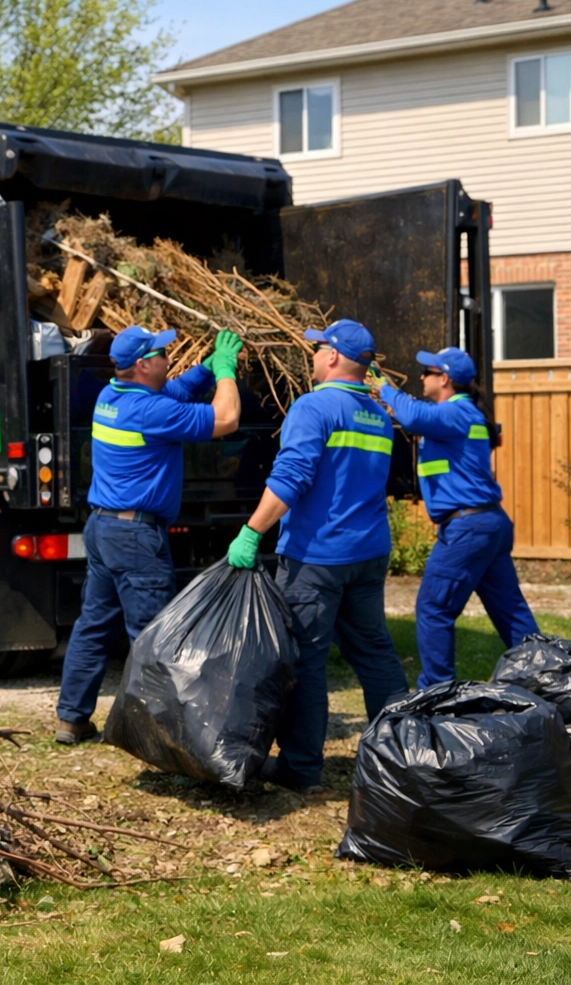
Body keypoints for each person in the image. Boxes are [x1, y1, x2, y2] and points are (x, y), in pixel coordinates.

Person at [226, 319, 407, 792]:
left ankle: (301, 767)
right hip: (368, 553)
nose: (312, 355)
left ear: (332, 356)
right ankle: (401, 757)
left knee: (305, 661)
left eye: (317, 348)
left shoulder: (313, 407)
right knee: (375, 653)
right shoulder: (378, 416)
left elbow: (291, 478)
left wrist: (251, 532)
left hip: (317, 557)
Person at [55, 326, 243, 745]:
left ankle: (71, 719)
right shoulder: (153, 413)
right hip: (136, 538)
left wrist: (204, 369)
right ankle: (159, 738)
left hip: (103, 529)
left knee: (94, 626)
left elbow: (173, 391)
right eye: (161, 353)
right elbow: (227, 418)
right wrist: (226, 371)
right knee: (155, 638)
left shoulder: (110, 397)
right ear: (142, 365)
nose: (167, 358)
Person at [372, 346, 538, 687]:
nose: (421, 376)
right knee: (510, 611)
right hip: (487, 524)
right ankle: (547, 676)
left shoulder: (457, 412)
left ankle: (437, 691)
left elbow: (414, 417)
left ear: (444, 379)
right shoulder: (462, 414)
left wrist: (386, 389)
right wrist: (393, 401)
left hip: (468, 528)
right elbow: (419, 418)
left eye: (427, 372)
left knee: (433, 608)